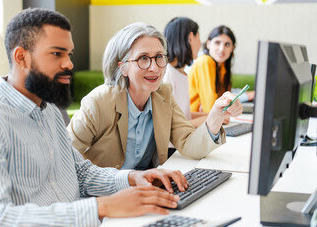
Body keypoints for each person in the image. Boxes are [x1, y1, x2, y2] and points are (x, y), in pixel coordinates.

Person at [0, 8, 191, 227]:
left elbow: (79, 173)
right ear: (22, 57)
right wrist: (101, 207)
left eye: (69, 54)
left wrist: (132, 178)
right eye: (57, 53)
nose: (69, 63)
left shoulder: (48, 109)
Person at [67, 22, 243, 170]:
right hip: (104, 196)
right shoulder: (98, 102)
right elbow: (64, 157)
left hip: (146, 191)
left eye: (159, 56)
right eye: (143, 58)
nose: (154, 67)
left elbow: (189, 144)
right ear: (123, 68)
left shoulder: (163, 94)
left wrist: (215, 117)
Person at [188, 25, 254, 116]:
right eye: (217, 43)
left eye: (227, 44)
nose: (222, 49)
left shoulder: (222, 66)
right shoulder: (205, 61)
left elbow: (223, 103)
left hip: (207, 119)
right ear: (208, 44)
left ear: (232, 48)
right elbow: (210, 108)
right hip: (192, 120)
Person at [163, 17, 208, 128]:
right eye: (199, 37)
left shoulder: (180, 73)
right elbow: (172, 127)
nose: (200, 44)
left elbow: (183, 116)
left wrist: (212, 115)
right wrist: (211, 118)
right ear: (191, 38)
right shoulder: (168, 75)